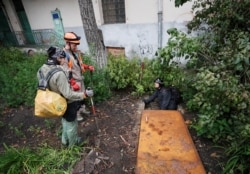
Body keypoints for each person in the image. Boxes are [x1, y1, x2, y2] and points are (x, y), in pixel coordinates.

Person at [37, 46, 94, 147]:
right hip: (66, 102)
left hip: (54, 102)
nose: (64, 61)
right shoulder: (59, 74)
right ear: (58, 58)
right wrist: (84, 94)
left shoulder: (41, 69)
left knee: (65, 120)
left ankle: (64, 140)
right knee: (72, 123)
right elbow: (68, 94)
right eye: (63, 58)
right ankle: (73, 144)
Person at [62, 32, 95, 121]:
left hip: (80, 80)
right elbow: (65, 71)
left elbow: (79, 64)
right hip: (74, 81)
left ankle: (82, 109)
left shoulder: (75, 53)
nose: (76, 46)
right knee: (76, 98)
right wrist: (72, 83)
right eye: (74, 45)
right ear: (68, 43)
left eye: (77, 45)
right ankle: (77, 114)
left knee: (83, 97)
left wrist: (88, 67)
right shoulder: (64, 55)